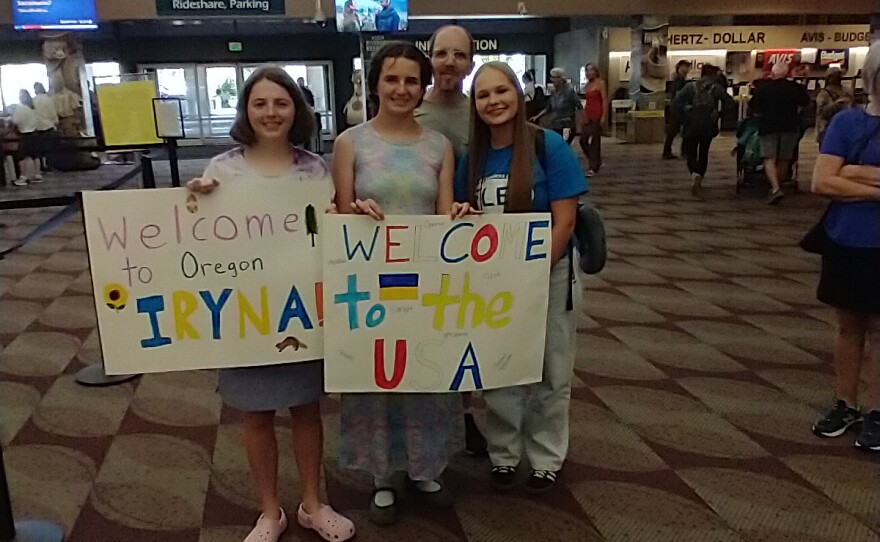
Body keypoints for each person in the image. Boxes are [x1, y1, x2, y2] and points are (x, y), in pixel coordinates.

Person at [185, 66, 355, 542]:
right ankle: (269, 512)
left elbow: (329, 234)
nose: (271, 113)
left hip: (300, 308)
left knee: (305, 409)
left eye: (281, 103)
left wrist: (339, 217)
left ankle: (312, 503)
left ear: (295, 110)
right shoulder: (222, 169)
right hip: (246, 312)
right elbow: (202, 241)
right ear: (246, 111)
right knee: (254, 414)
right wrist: (195, 204)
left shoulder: (315, 169)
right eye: (259, 104)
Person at [331, 41, 472, 526]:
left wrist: (457, 215)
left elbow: (442, 214)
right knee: (378, 377)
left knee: (427, 372)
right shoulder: (351, 142)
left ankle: (426, 468)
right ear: (375, 84)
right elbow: (338, 215)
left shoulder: (439, 147)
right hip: (369, 284)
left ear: (423, 86)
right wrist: (351, 211)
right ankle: (383, 475)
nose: (402, 88)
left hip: (424, 282)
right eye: (392, 79)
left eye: (412, 80)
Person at [456, 61, 586, 494]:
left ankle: (547, 456)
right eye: (483, 95)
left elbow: (563, 223)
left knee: (552, 370)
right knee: (500, 370)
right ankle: (504, 455)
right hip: (490, 281)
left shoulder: (548, 147)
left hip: (547, 275)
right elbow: (458, 215)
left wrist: (530, 276)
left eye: (501, 91)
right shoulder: (471, 156)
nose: (493, 101)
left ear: (518, 94)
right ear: (474, 105)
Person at [413, 24, 489, 456]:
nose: (449, 63)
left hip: (470, 237)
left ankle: (462, 415)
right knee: (421, 329)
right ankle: (422, 412)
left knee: (463, 331)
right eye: (442, 54)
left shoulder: (477, 111)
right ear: (431, 57)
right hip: (417, 239)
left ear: (470, 63)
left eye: (459, 55)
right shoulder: (412, 111)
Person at [810, 41, 880, 453]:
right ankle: (846, 402)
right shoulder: (847, 123)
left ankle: (877, 411)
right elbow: (822, 182)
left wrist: (852, 174)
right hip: (845, 238)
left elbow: (836, 178)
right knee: (848, 328)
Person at [750, 61, 810, 204]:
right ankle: (778, 186)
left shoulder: (764, 89)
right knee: (784, 159)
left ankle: (775, 188)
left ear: (773, 74)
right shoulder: (796, 88)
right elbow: (806, 102)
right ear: (787, 73)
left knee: (769, 158)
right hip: (790, 126)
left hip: (768, 126)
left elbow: (753, 106)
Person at [673, 64, 732, 195]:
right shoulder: (716, 88)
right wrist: (719, 113)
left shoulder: (690, 87)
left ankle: (694, 173)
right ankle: (700, 173)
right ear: (712, 75)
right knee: (704, 151)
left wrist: (683, 117)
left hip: (691, 124)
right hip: (708, 125)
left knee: (691, 151)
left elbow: (676, 103)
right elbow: (730, 102)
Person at [530, 67, 582, 145]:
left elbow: (579, 106)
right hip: (555, 124)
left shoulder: (569, 91)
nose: (553, 80)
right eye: (552, 77)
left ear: (561, 78)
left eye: (555, 77)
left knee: (563, 145)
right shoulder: (554, 92)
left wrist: (579, 125)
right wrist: (537, 116)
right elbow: (548, 108)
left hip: (567, 125)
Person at [580, 62, 607, 175]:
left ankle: (593, 167)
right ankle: (596, 160)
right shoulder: (586, 86)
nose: (589, 72)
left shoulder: (600, 83)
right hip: (588, 113)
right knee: (583, 140)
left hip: (597, 113)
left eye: (591, 70)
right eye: (587, 70)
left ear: (596, 72)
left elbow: (604, 100)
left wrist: (604, 116)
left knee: (595, 141)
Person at [662, 59, 692, 159]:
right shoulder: (679, 80)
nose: (688, 69)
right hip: (679, 108)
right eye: (686, 66)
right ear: (680, 67)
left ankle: (669, 151)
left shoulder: (679, 79)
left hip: (678, 108)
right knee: (677, 130)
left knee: (674, 130)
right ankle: (682, 151)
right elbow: (678, 94)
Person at [815, 67, 853, 144]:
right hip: (827, 128)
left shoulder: (846, 91)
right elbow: (821, 113)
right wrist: (836, 104)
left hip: (842, 128)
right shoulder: (824, 93)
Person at [10, 89, 39, 186]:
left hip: (25, 134)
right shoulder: (31, 107)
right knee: (34, 155)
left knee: (22, 157)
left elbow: (15, 121)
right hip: (34, 133)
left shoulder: (20, 108)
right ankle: (37, 175)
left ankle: (23, 177)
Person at [32, 82, 58, 173]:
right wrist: (55, 122)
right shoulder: (49, 99)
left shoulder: (33, 101)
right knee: (51, 149)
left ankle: (43, 166)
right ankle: (51, 166)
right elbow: (53, 113)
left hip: (37, 127)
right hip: (49, 126)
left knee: (40, 149)